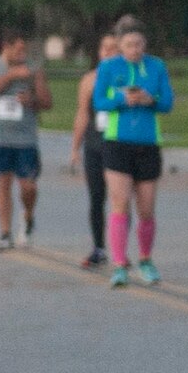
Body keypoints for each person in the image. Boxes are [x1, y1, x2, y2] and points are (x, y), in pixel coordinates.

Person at [92, 17, 175, 288]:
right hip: (117, 143)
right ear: (119, 45)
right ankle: (119, 264)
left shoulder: (156, 67)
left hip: (148, 143)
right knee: (119, 203)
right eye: (128, 45)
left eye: (139, 44)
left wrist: (151, 100)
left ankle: (146, 260)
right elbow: (99, 101)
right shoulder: (109, 67)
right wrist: (121, 99)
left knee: (147, 208)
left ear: (145, 44)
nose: (134, 49)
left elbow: (168, 103)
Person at [0, 31, 52, 251]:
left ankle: (28, 215)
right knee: (3, 184)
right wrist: (11, 76)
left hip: (26, 138)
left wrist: (32, 100)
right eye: (18, 49)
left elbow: (47, 102)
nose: (23, 53)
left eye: (24, 49)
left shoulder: (33, 70)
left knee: (28, 186)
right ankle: (5, 232)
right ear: (6, 48)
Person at [69, 33, 122, 269]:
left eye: (114, 48)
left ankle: (120, 250)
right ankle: (99, 247)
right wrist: (75, 147)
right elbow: (82, 114)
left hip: (119, 144)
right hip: (94, 144)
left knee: (120, 199)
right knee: (96, 197)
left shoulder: (124, 79)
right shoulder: (90, 80)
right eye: (105, 48)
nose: (108, 52)